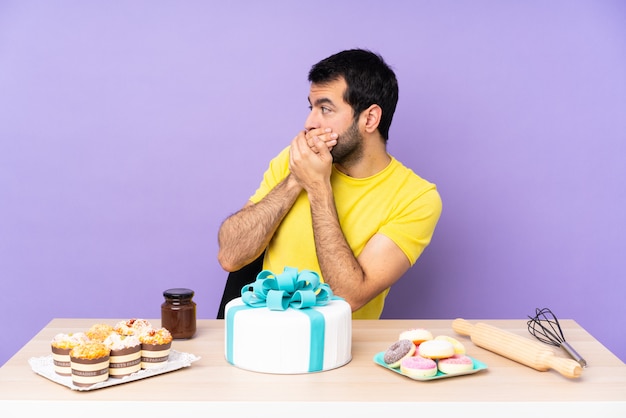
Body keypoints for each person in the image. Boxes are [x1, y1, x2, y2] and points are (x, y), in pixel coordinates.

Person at [217, 49, 442, 319]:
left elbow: (349, 296)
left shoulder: (416, 198)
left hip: (339, 349)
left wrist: (317, 187)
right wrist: (294, 181)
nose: (310, 123)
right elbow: (229, 256)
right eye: (311, 108)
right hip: (265, 338)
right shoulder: (293, 161)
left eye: (325, 109)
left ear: (369, 119)